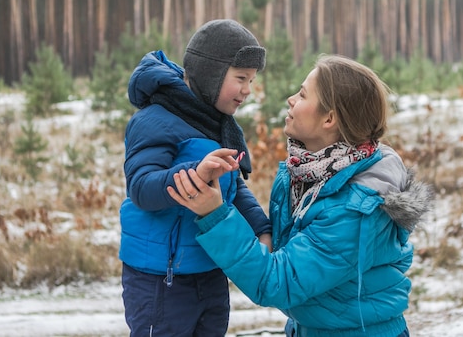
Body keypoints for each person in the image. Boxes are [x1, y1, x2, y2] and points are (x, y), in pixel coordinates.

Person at [167, 54, 434, 336]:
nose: (291, 99)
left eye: (303, 94)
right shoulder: (310, 174)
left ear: (329, 118)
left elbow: (277, 282)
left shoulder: (355, 211)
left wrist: (215, 215)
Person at [119, 19, 272, 337]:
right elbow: (141, 188)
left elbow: (233, 187)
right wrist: (194, 175)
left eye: (252, 80)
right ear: (210, 73)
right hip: (161, 278)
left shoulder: (217, 124)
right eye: (241, 78)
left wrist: (261, 228)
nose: (247, 90)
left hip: (210, 269)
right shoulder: (156, 120)